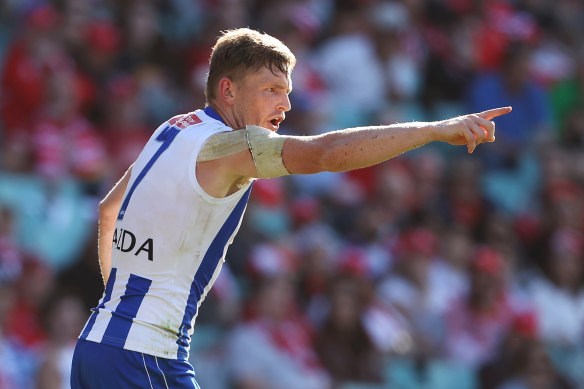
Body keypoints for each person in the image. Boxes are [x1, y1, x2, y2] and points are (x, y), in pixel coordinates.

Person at [70, 28, 511, 388]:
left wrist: (120, 302)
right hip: (146, 356)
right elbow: (324, 154)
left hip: (95, 346)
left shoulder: (169, 130)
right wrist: (434, 130)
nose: (285, 104)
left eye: (287, 92)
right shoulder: (231, 144)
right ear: (227, 90)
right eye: (271, 90)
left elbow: (110, 209)